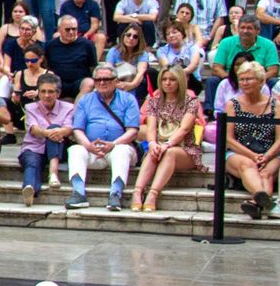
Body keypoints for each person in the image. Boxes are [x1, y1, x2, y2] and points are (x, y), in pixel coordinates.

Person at [65, 64, 141, 211]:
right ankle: (78, 193)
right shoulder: (85, 100)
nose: (102, 82)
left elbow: (133, 131)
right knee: (75, 150)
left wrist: (113, 144)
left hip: (118, 148)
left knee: (121, 150)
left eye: (106, 79)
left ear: (116, 81)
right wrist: (88, 146)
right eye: (98, 79)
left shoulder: (128, 99)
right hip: (93, 150)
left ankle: (115, 194)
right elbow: (78, 129)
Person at [130, 66, 203, 212]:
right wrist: (152, 143)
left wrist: (168, 144)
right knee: (153, 151)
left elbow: (184, 129)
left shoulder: (191, 101)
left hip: (185, 149)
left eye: (172, 79)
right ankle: (137, 192)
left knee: (168, 152)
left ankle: (153, 194)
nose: (167, 83)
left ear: (180, 81)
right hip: (160, 144)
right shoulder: (153, 101)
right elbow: (151, 128)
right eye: (164, 79)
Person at [222, 61, 280, 220]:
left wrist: (267, 156)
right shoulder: (232, 105)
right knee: (247, 164)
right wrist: (253, 155)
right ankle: (261, 197)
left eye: (249, 79)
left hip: (270, 152)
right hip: (239, 152)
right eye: (241, 79)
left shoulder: (276, 105)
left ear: (261, 81)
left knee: (266, 173)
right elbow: (228, 139)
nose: (244, 83)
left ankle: (256, 204)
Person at [19, 74, 73, 203]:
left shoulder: (68, 108)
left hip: (59, 150)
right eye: (43, 91)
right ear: (38, 93)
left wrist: (59, 131)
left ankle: (53, 173)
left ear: (58, 93)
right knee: (32, 162)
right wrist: (48, 133)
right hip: (35, 147)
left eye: (51, 92)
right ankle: (29, 189)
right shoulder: (30, 108)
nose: (47, 95)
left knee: (56, 128)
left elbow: (69, 128)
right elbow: (33, 129)